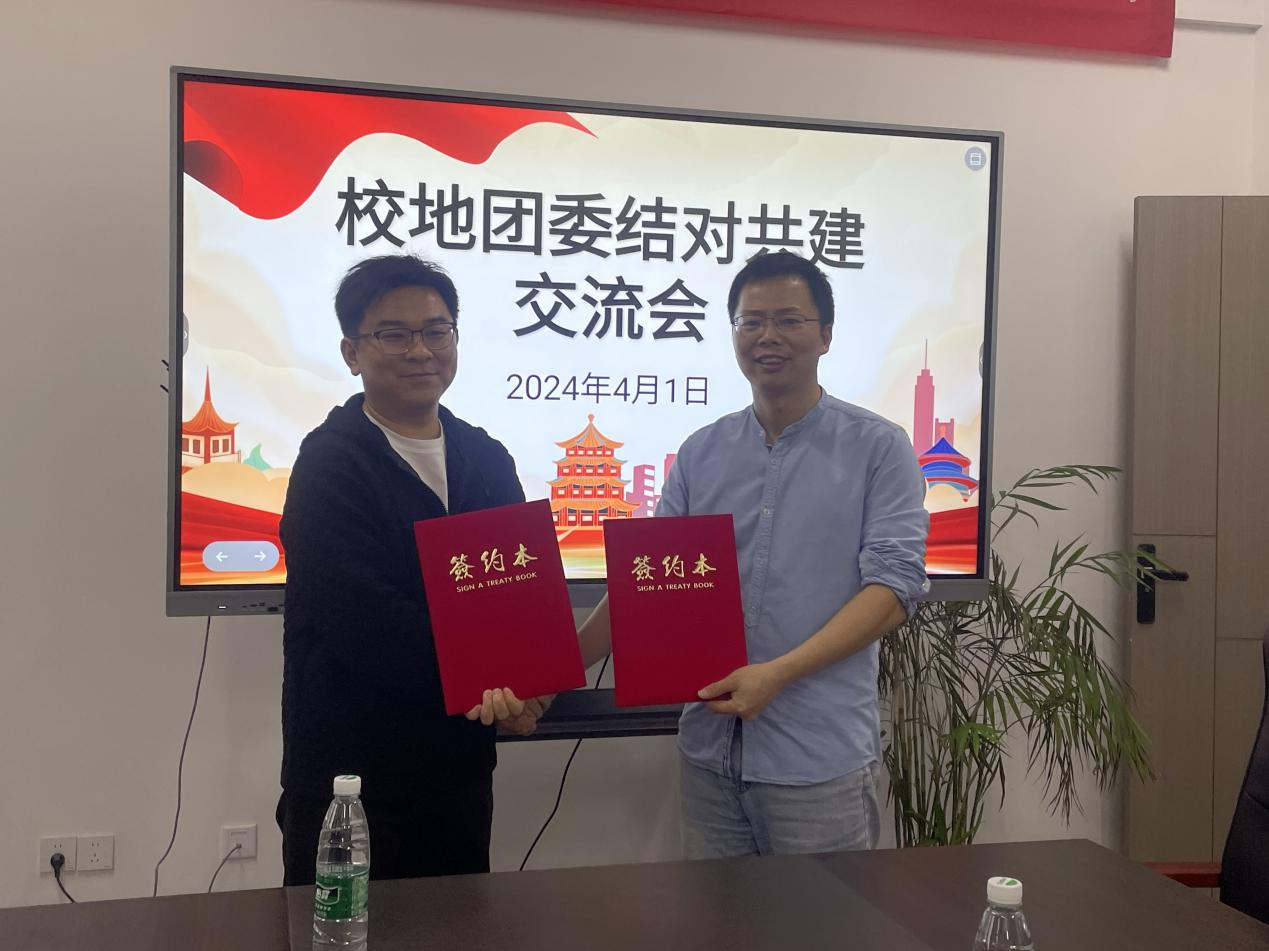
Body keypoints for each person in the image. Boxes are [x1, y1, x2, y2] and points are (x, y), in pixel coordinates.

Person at [576, 250, 929, 858]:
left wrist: (777, 674)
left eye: (789, 320)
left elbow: (894, 591)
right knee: (715, 916)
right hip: (709, 756)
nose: (768, 336)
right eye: (751, 321)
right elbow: (645, 588)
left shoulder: (879, 448)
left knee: (818, 915)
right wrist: (551, 675)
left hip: (816, 762)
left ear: (825, 335)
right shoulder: (701, 452)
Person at [278, 254, 544, 885]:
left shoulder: (486, 456)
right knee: (342, 929)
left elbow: (522, 593)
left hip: (457, 770)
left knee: (458, 925)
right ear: (352, 353)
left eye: (436, 330)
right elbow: (363, 618)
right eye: (393, 334)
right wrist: (487, 682)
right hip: (353, 778)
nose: (421, 350)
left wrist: (533, 680)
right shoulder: (330, 463)